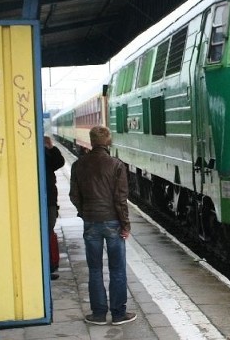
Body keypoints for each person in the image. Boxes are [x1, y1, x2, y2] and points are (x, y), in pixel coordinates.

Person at [69, 126, 136, 326]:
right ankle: (118, 314)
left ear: (91, 141)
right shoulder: (116, 165)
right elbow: (120, 199)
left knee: (95, 269)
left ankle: (98, 314)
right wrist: (125, 225)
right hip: (113, 222)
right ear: (108, 142)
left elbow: (74, 196)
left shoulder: (78, 165)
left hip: (91, 222)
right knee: (117, 269)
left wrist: (84, 212)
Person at [44, 135, 65, 280]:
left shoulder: (45, 152)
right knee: (47, 231)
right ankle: (49, 265)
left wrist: (51, 148)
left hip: (49, 199)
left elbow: (59, 162)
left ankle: (51, 265)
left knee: (49, 230)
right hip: (47, 199)